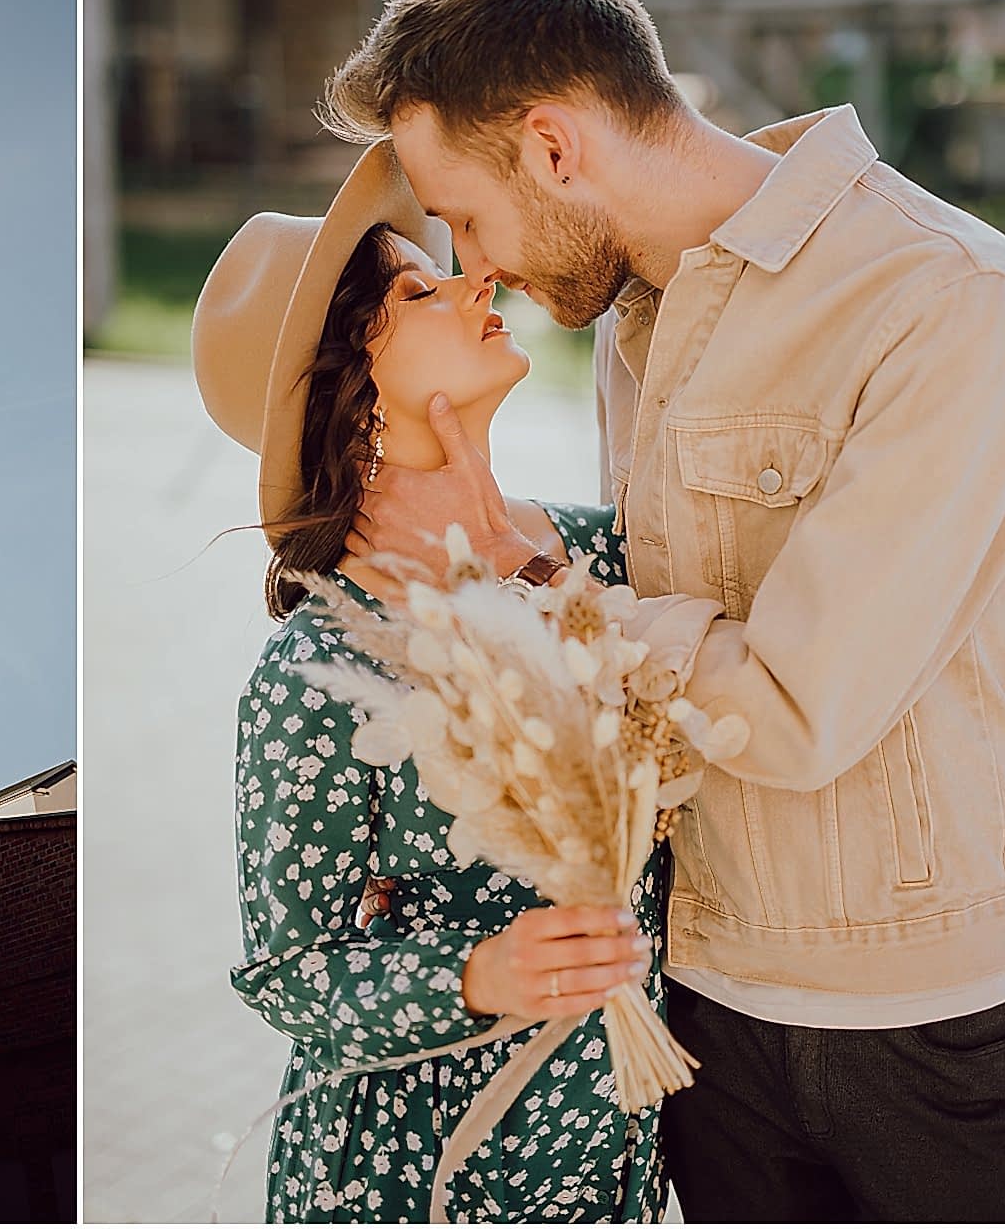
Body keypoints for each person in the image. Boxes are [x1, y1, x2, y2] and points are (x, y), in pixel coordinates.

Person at [324, 0, 1005, 1222]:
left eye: (464, 214)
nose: (475, 266)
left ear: (557, 147)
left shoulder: (943, 305)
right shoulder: (639, 320)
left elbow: (791, 707)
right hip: (715, 1022)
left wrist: (558, 625)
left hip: (927, 1026)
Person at [192, 143, 668, 1221]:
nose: (474, 280)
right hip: (414, 1173)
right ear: (351, 394)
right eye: (418, 289)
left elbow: (750, 661)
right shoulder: (317, 667)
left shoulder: (588, 550)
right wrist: (480, 972)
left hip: (611, 1150)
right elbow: (293, 975)